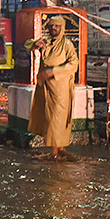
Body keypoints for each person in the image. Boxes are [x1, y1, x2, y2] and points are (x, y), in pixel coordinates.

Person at [27, 14, 77, 159]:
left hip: (60, 88)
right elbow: (27, 45)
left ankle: (56, 150)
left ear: (62, 28)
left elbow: (74, 64)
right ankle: (58, 148)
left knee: (58, 118)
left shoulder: (67, 45)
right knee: (48, 117)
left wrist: (52, 72)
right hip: (45, 89)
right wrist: (37, 44)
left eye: (57, 26)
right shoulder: (46, 42)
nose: (53, 28)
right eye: (51, 26)